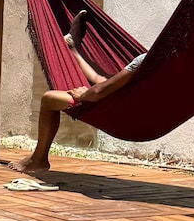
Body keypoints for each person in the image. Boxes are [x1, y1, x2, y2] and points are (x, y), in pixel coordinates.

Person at [8, 10, 146, 174]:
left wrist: (83, 95)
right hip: (133, 105)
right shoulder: (158, 64)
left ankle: (38, 160)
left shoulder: (142, 61)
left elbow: (99, 91)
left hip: (114, 108)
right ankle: (73, 48)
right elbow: (102, 81)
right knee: (100, 79)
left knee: (48, 99)